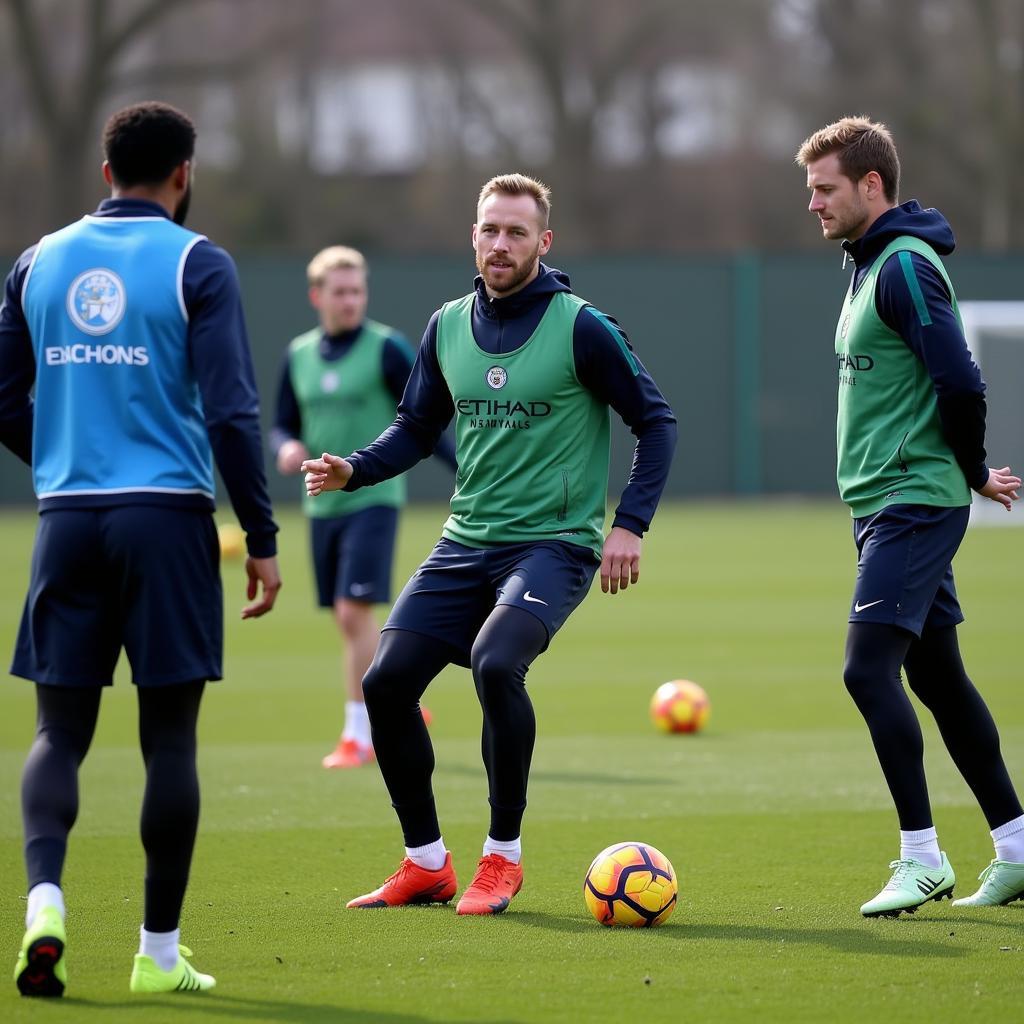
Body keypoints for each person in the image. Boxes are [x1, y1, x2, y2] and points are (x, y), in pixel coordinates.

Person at [303, 172, 677, 916]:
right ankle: (427, 863)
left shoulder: (581, 326)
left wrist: (629, 524)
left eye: (516, 231)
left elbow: (656, 421)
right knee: (383, 683)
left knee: (495, 661)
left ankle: (502, 857)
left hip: (553, 544)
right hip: (464, 542)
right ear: (472, 237)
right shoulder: (445, 324)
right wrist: (357, 468)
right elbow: (415, 427)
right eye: (489, 230)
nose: (500, 243)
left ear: (544, 241)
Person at [0, 101, 282, 996]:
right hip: (166, 521)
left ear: (104, 169)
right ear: (183, 174)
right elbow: (234, 413)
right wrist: (264, 537)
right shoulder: (199, 262)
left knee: (58, 733)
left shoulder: (36, 261)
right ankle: (158, 955)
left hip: (68, 520)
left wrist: (58, 453)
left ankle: (45, 901)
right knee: (170, 743)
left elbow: (5, 397)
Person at [796, 116, 1024, 917]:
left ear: (870, 185)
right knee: (938, 677)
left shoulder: (902, 267)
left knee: (867, 671)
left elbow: (961, 382)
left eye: (825, 189)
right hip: (887, 502)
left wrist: (963, 473)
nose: (813, 204)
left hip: (913, 501)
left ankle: (921, 857)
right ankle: (1020, 848)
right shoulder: (866, 264)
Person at [272, 246, 454, 768]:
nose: (350, 301)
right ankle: (403, 700)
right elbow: (282, 421)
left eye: (357, 291)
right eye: (340, 292)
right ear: (317, 297)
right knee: (347, 619)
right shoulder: (299, 355)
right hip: (320, 507)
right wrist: (284, 445)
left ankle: (360, 735)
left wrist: (465, 469)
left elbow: (423, 422)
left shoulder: (387, 349)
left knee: (355, 612)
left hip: (373, 498)